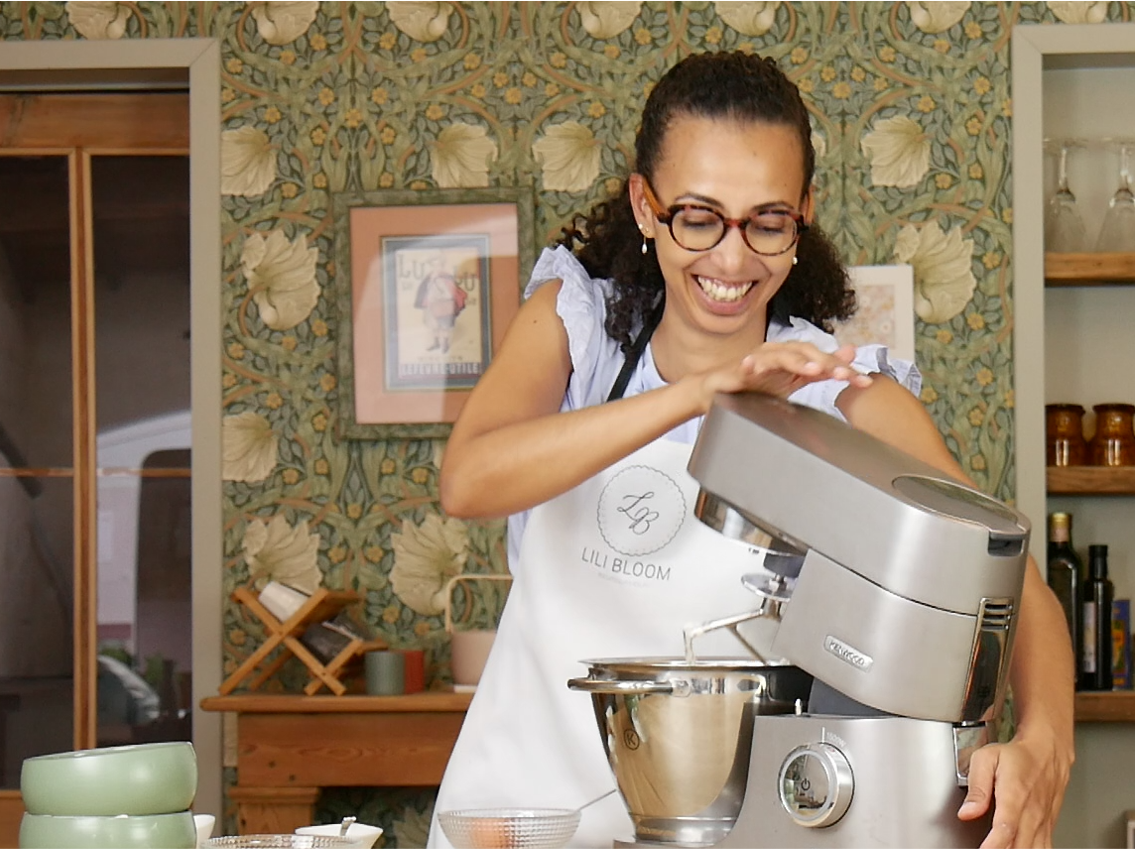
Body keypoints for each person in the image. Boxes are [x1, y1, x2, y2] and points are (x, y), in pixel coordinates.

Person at [429, 51, 1074, 849]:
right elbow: (469, 477)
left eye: (767, 222)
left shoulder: (843, 394)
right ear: (644, 203)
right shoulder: (580, 330)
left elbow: (1014, 582)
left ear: (803, 213)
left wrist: (1048, 742)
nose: (731, 260)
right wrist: (704, 392)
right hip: (520, 819)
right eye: (698, 216)